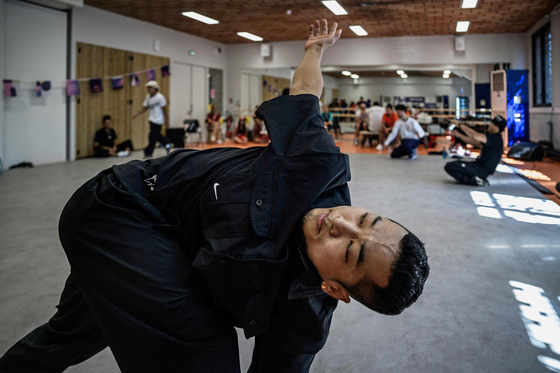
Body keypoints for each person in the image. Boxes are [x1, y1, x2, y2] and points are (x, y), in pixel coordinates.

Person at [0, 19, 428, 373]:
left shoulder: (305, 318)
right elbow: (306, 95)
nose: (341, 222)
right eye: (365, 217)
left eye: (351, 248)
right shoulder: (316, 164)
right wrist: (315, 49)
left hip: (156, 251)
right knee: (204, 355)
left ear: (334, 290)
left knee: (70, 334)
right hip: (121, 205)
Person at [444, 115, 506, 186]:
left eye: (492, 123)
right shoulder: (495, 139)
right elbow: (473, 142)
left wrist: (459, 124)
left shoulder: (494, 139)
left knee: (450, 166)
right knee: (455, 165)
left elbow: (474, 135)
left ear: (496, 127)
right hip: (479, 166)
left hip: (482, 169)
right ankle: (476, 178)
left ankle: (475, 181)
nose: (490, 125)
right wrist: (459, 135)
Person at [132, 80, 171, 158]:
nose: (148, 89)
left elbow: (165, 110)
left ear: (155, 88)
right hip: (151, 119)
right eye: (148, 87)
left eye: (150, 87)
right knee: (156, 135)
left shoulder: (160, 97)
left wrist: (167, 121)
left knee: (152, 136)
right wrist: (137, 114)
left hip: (158, 120)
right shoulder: (148, 97)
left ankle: (148, 152)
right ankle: (166, 142)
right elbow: (145, 107)